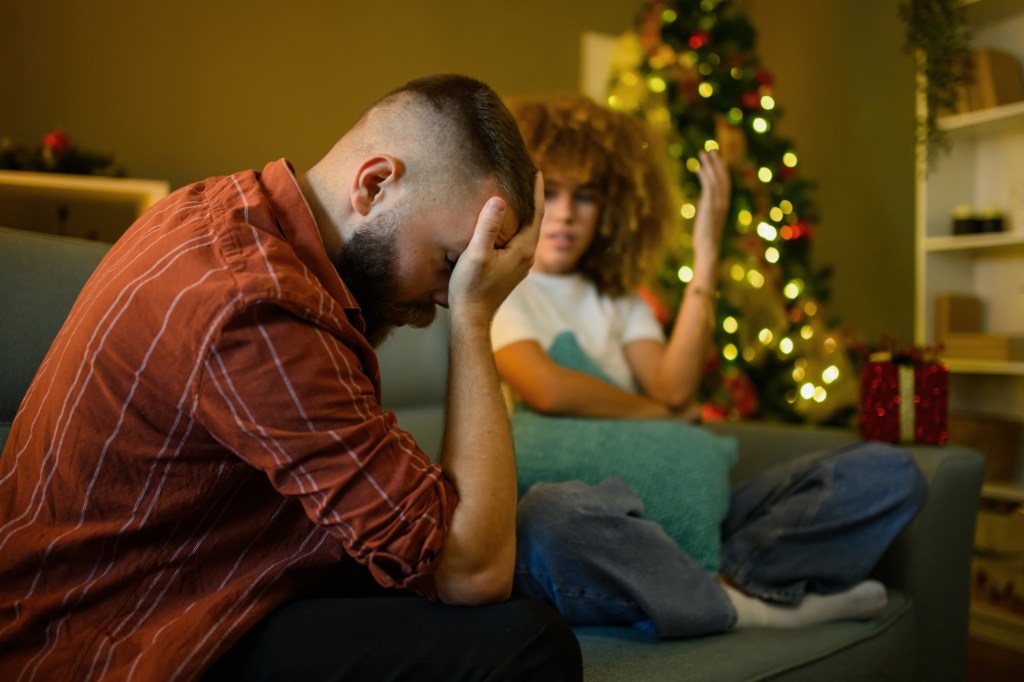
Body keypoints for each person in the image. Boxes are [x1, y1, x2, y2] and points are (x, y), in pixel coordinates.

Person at [0, 75, 582, 681]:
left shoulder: (217, 209)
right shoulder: (255, 306)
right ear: (375, 183)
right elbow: (471, 574)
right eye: (453, 264)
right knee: (524, 645)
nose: (449, 293)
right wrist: (474, 316)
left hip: (212, 572)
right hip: (113, 637)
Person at [492, 94, 927, 638]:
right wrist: (659, 415)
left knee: (889, 475)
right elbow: (548, 388)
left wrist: (706, 257)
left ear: (611, 207)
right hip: (595, 518)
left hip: (673, 503)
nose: (565, 214)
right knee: (552, 519)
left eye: (586, 196)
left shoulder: (619, 300)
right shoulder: (506, 285)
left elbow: (673, 384)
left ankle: (725, 583)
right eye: (550, 191)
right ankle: (757, 609)